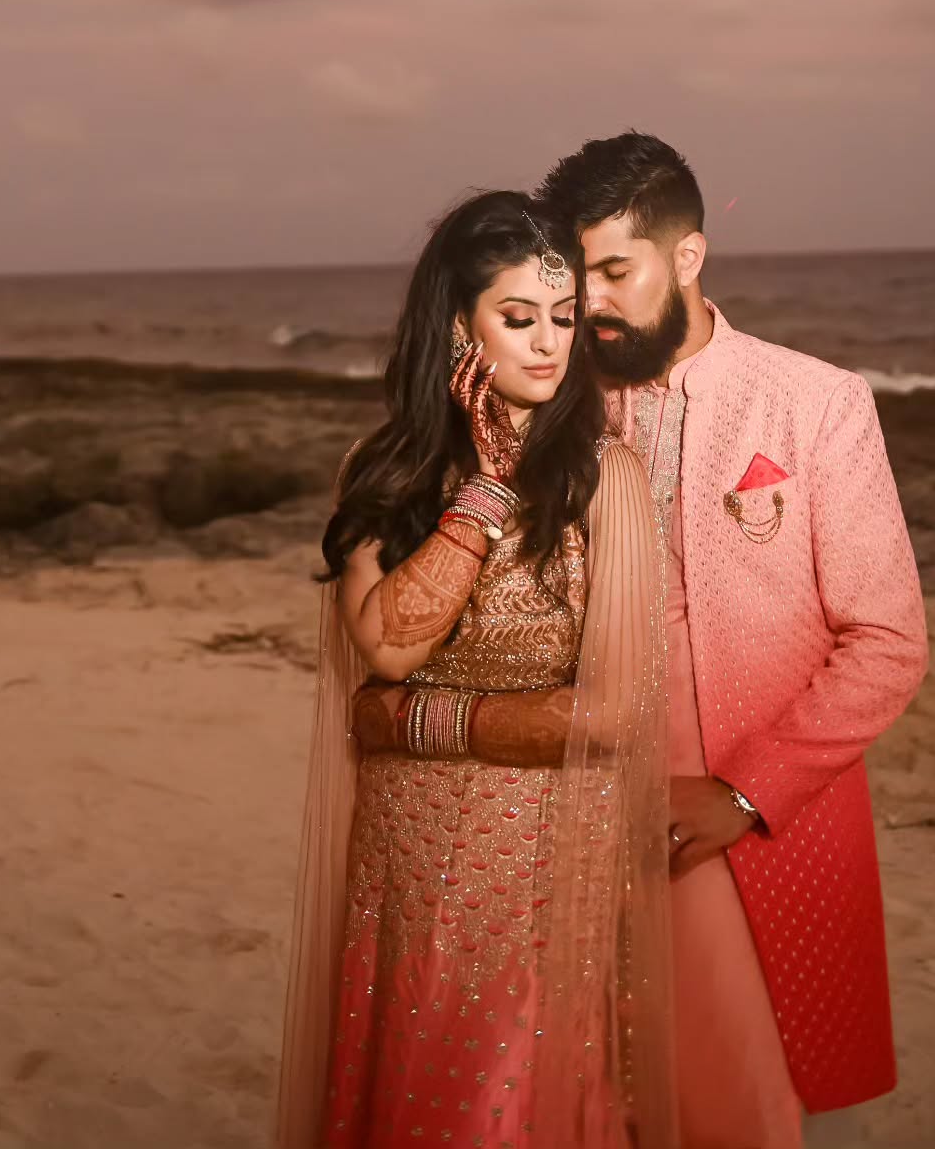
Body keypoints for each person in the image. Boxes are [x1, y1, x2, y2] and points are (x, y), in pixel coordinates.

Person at [361, 136, 929, 1149]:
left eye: (618, 272)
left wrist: (746, 794)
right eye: (581, 286)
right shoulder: (554, 408)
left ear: (690, 255)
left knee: (733, 1102)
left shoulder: (815, 401)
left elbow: (886, 641)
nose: (597, 309)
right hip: (552, 821)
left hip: (730, 819)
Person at [275, 191, 677, 1149]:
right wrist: (485, 494)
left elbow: (615, 714)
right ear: (459, 327)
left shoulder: (605, 481)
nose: (549, 344)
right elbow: (390, 646)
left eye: (566, 318)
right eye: (519, 317)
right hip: (403, 860)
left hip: (541, 860)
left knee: (494, 1107)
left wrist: (417, 722)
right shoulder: (386, 472)